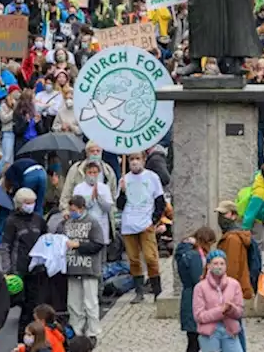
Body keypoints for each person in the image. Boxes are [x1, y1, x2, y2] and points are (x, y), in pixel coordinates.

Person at [118, 150, 167, 302]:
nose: (134, 162)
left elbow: (160, 201)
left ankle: (156, 289)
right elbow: (120, 205)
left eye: (137, 158)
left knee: (150, 257)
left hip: (146, 224)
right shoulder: (125, 179)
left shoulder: (152, 177)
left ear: (144, 160)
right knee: (133, 259)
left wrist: (154, 220)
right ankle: (139, 291)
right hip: (128, 224)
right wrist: (122, 193)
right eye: (131, 159)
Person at [59, 194, 107, 340]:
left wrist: (79, 245)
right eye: (70, 209)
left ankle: (94, 331)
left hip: (88, 268)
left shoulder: (92, 222)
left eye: (74, 209)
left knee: (90, 302)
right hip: (73, 267)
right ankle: (76, 331)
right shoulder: (67, 223)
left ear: (82, 208)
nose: (72, 212)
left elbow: (98, 244)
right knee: (73, 303)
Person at [3, 188, 46, 342]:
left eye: (32, 202)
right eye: (27, 203)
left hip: (36, 269)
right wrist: (8, 270)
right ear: (20, 204)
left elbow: (45, 240)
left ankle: (30, 341)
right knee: (18, 307)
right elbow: (6, 246)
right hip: (19, 271)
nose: (31, 205)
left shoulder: (38, 219)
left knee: (33, 307)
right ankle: (22, 341)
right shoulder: (11, 221)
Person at [176, 227, 219, 352]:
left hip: (190, 298)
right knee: (195, 342)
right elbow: (198, 279)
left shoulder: (187, 252)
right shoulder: (194, 255)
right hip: (195, 300)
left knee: (195, 340)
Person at [192, 250, 244, 352]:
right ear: (209, 266)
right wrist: (221, 311)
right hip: (209, 333)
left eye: (222, 264)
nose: (219, 267)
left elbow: (240, 312)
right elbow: (199, 315)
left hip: (230, 330)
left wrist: (231, 309)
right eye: (215, 263)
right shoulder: (200, 287)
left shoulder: (234, 284)